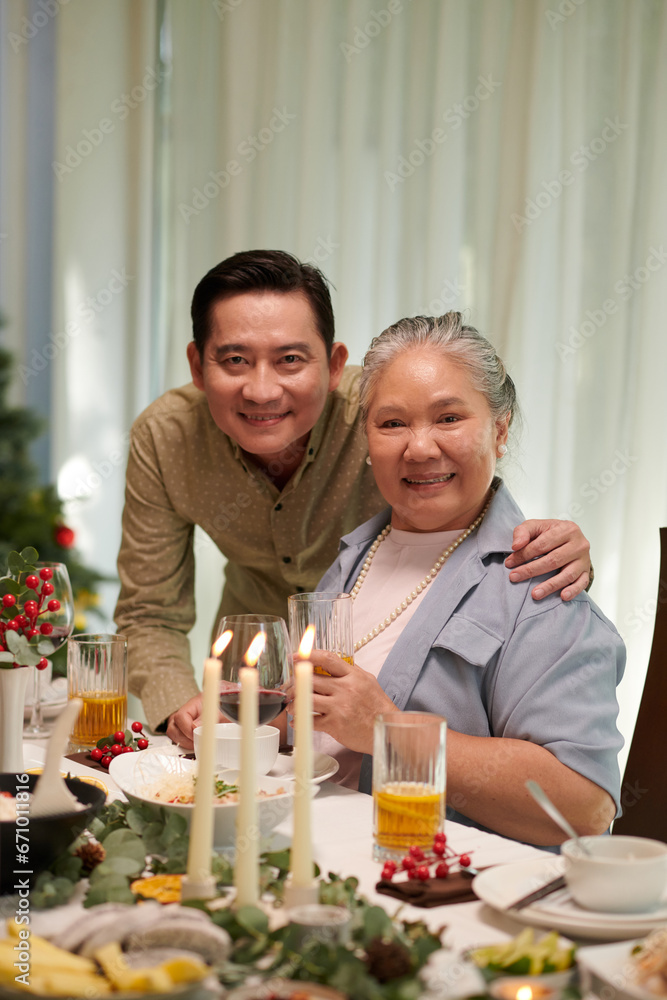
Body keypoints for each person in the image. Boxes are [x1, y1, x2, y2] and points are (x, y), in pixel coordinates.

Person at [114, 250, 592, 747]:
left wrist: (558, 545)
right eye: (235, 360)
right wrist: (183, 711)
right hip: (249, 676)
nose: (261, 391)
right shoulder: (166, 436)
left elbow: (460, 481)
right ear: (197, 365)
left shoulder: (384, 412)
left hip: (376, 681)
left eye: (290, 360)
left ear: (336, 364)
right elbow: (150, 612)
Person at [297, 313, 624, 847]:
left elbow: (584, 806)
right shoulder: (350, 561)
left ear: (499, 428)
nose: (420, 448)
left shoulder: (539, 586)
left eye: (448, 418)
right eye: (393, 423)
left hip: (432, 895)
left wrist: (390, 733)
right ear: (367, 438)